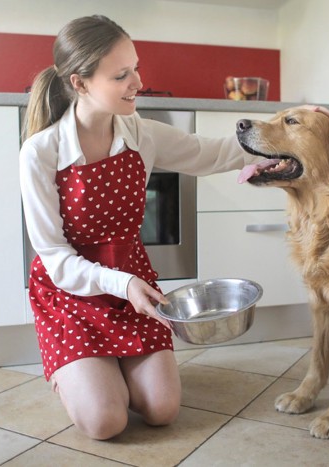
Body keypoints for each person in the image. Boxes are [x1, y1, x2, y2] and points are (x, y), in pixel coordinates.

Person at [19, 15, 258, 440]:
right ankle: (71, 371)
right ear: (80, 83)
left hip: (134, 290)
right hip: (73, 294)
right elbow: (55, 259)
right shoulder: (41, 152)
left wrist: (284, 133)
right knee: (105, 422)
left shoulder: (140, 134)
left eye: (136, 68)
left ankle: (107, 372)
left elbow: (212, 154)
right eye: (121, 75)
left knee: (162, 410)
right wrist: (122, 283)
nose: (138, 82)